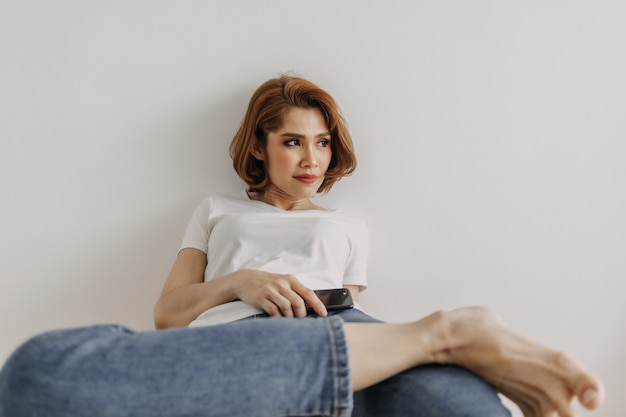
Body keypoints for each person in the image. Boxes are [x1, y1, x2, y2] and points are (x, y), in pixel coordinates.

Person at [0, 75, 604, 417]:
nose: (310, 158)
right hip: (238, 338)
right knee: (40, 376)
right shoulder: (216, 210)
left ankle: (439, 341)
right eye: (292, 141)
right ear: (259, 146)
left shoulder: (347, 224)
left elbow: (350, 310)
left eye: (320, 143)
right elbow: (167, 316)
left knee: (462, 407)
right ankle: (445, 333)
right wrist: (241, 282)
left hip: (344, 331)